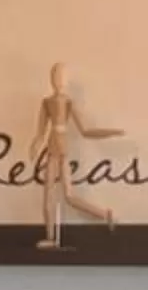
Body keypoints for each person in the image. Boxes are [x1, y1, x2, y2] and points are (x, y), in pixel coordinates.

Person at [28, 61, 125, 247]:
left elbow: (86, 131)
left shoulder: (69, 103)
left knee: (69, 196)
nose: (58, 79)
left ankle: (105, 214)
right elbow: (40, 132)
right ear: (51, 79)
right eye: (55, 75)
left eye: (62, 76)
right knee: (48, 195)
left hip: (62, 151)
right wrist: (34, 146)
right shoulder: (46, 103)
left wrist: (109, 132)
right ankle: (50, 237)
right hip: (52, 151)